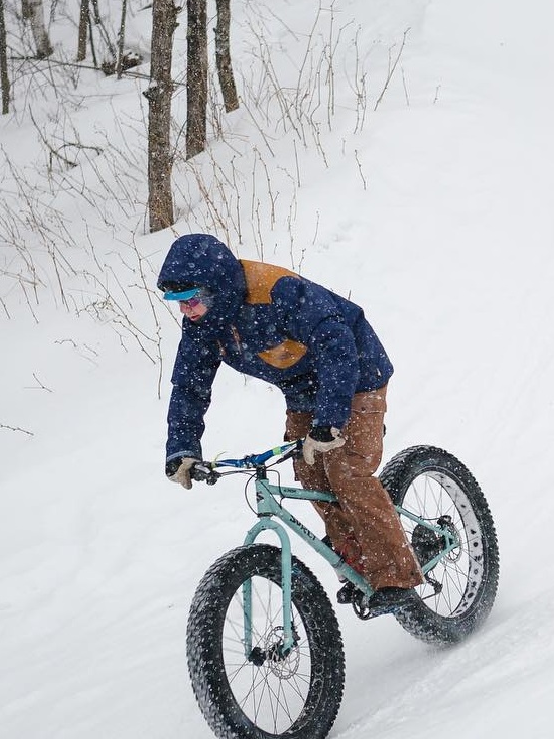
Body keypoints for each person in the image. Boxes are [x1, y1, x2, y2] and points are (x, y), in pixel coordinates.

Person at [157, 233, 423, 616]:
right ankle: (360, 560)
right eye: (177, 303)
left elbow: (337, 344)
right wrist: (182, 449)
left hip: (357, 372)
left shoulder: (277, 292)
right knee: (312, 474)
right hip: (303, 388)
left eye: (191, 300)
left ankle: (395, 576)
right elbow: (189, 387)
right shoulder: (204, 326)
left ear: (216, 287)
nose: (187, 311)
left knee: (346, 470)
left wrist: (330, 420)